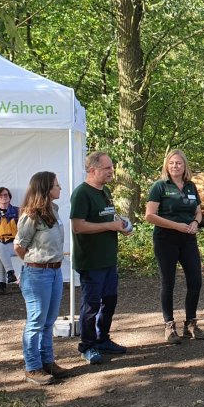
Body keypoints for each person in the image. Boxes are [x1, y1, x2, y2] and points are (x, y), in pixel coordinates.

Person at [71, 152, 131, 364]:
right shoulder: (81, 194)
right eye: (107, 168)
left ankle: (102, 339)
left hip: (108, 259)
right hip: (91, 261)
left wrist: (121, 225)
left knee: (110, 302)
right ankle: (87, 346)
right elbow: (78, 226)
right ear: (92, 170)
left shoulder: (104, 191)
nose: (111, 171)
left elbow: (107, 216)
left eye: (111, 167)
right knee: (91, 305)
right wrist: (109, 226)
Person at [145, 149, 204, 344]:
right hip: (166, 240)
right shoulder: (160, 187)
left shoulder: (191, 186)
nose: (175, 166)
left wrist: (195, 223)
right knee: (168, 282)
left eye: (179, 163)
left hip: (188, 239)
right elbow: (149, 215)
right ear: (167, 165)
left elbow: (198, 212)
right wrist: (176, 225)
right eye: (172, 163)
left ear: (184, 166)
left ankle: (190, 324)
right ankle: (169, 325)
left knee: (195, 281)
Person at [15, 172, 69, 385]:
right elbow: (19, 246)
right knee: (36, 321)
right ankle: (32, 367)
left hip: (55, 271)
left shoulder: (54, 211)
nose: (60, 188)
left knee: (49, 321)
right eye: (56, 185)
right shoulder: (30, 216)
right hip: (37, 273)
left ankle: (48, 362)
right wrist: (33, 264)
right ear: (46, 188)